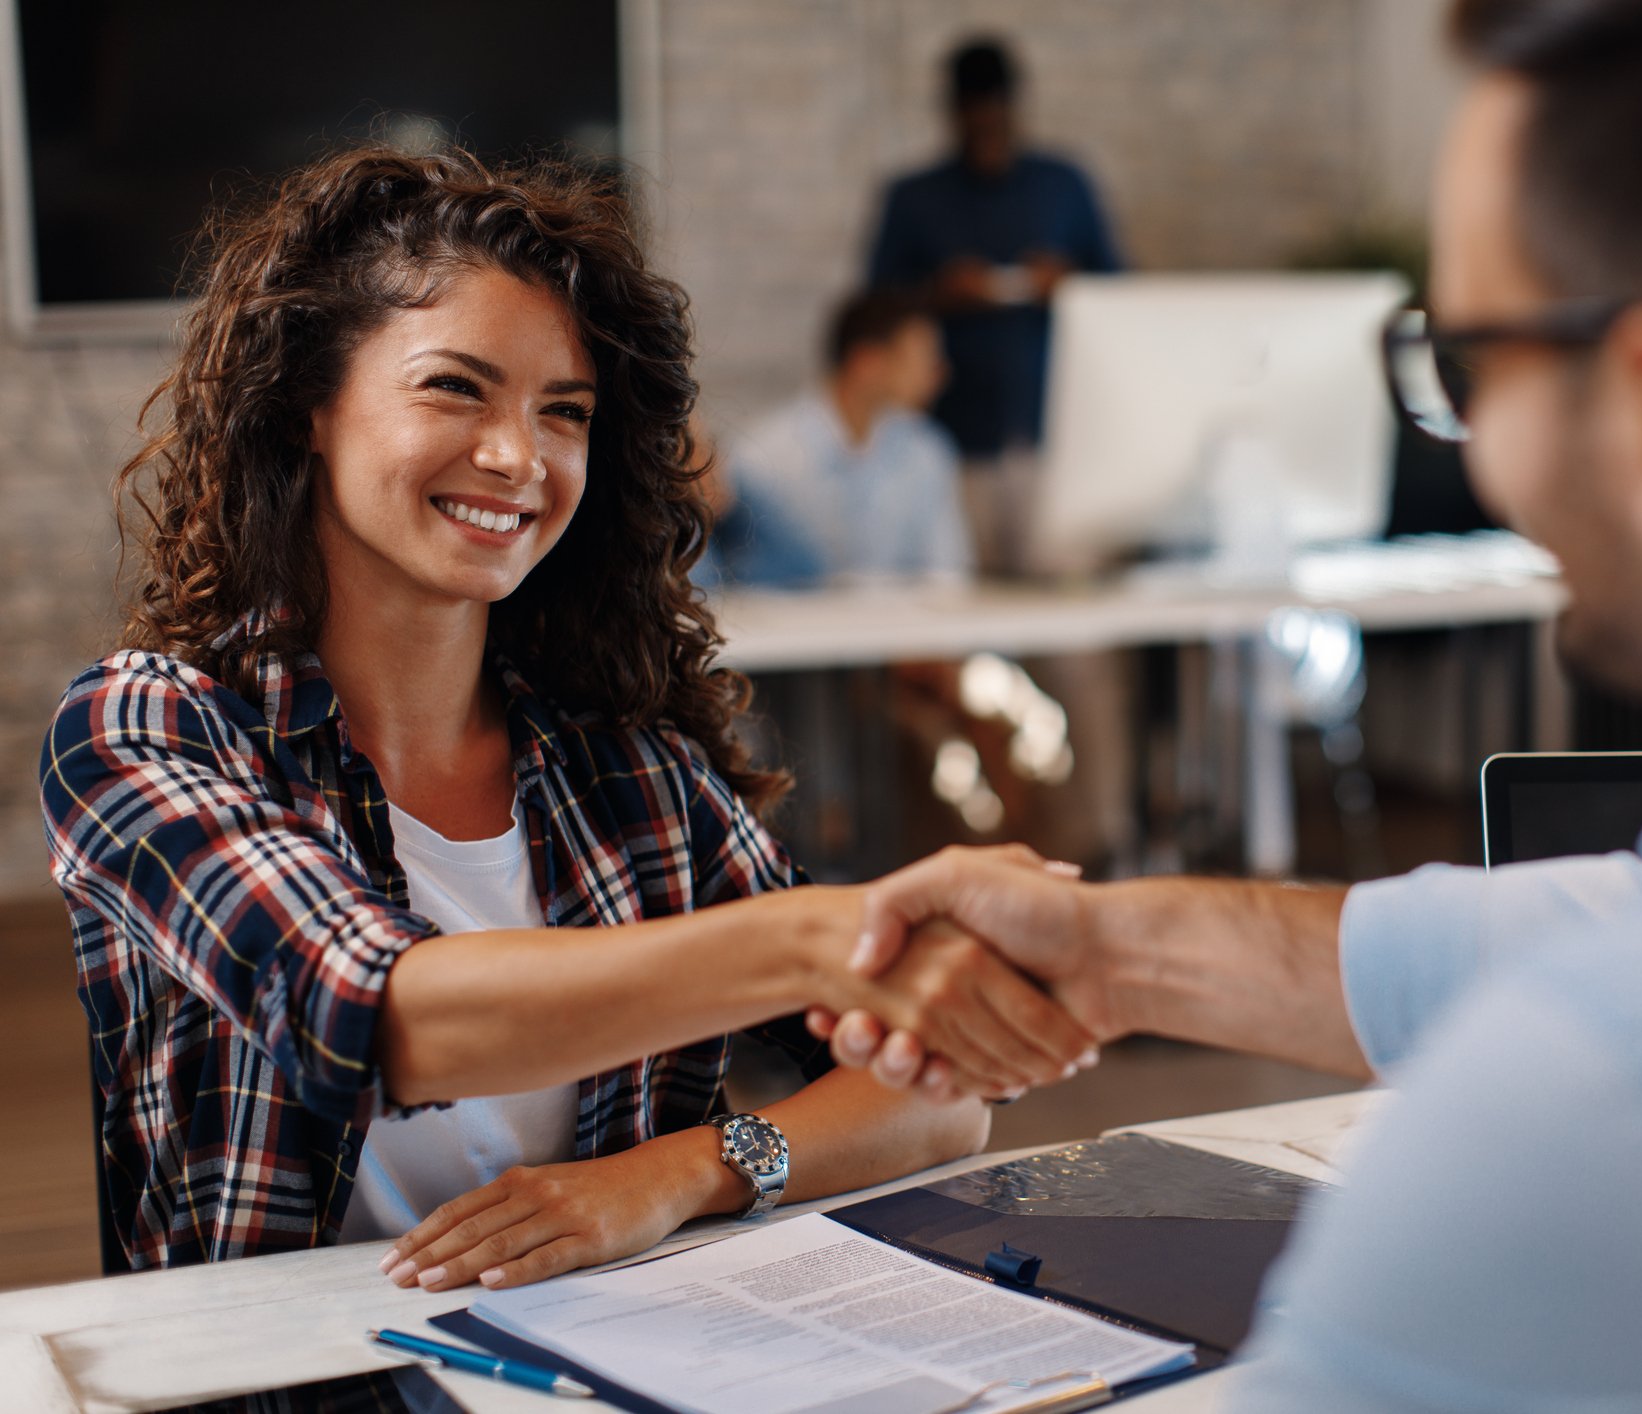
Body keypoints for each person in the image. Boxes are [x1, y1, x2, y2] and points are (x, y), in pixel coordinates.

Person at [814, 0, 1642, 1405]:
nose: (1471, 436)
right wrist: (1110, 950)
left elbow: (1631, 992)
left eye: (1470, 362)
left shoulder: (1605, 1112)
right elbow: (1607, 917)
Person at [38, 145, 1095, 1288]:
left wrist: (686, 1170)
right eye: (456, 386)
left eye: (565, 411)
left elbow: (939, 1102)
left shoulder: (629, 768)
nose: (518, 457)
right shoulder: (144, 726)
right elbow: (382, 1019)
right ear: (308, 405)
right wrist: (823, 941)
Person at [865, 34, 1123, 575]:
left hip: (1054, 436)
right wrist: (940, 292)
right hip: (952, 442)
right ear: (953, 114)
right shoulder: (914, 198)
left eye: (996, 119)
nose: (987, 132)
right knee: (963, 611)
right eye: (974, 120)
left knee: (1071, 629)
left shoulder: (1063, 184)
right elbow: (872, 308)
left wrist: (1068, 282)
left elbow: (1121, 289)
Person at [706, 289, 970, 588]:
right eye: (924, 358)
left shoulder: (927, 451)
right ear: (866, 362)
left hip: (905, 629)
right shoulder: (762, 456)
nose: (938, 374)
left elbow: (946, 575)